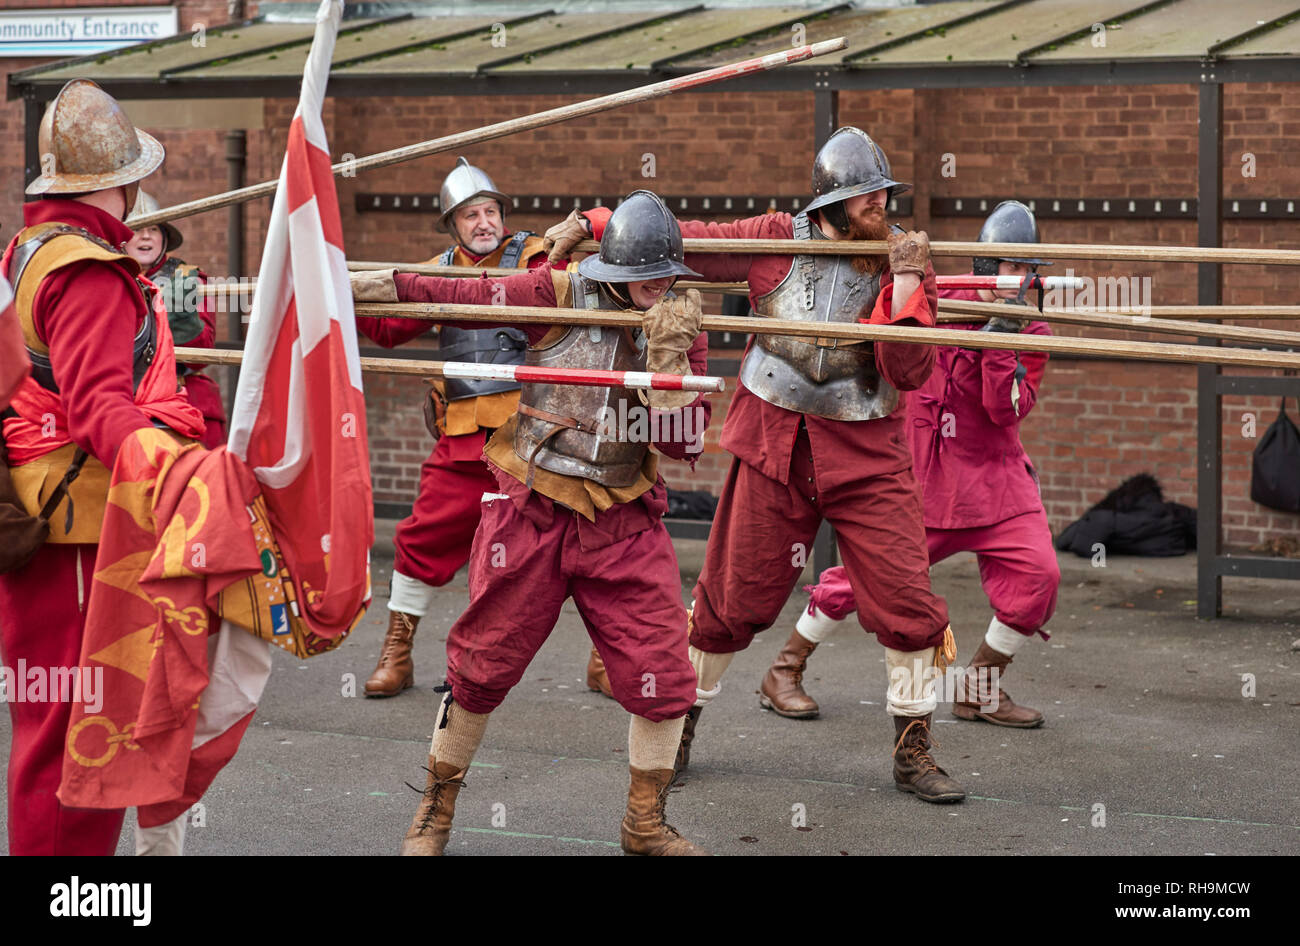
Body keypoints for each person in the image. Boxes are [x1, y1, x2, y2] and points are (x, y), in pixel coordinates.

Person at [552, 128, 963, 803]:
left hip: (869, 452)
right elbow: (685, 241)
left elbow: (909, 369)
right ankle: (677, 729)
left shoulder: (901, 258)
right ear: (832, 199)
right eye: (868, 194)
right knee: (728, 598)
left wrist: (911, 279)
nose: (881, 203)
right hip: (775, 442)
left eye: (885, 193)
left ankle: (911, 749)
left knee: (909, 602)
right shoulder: (776, 234)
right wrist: (597, 223)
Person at [351, 190, 713, 855]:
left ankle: (644, 823)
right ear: (615, 270)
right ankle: (435, 809)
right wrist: (353, 286)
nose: (658, 288)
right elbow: (457, 291)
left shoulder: (682, 321)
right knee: (480, 667)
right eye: (645, 278)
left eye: (667, 277)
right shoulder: (553, 290)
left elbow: (686, 445)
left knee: (665, 671)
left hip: (624, 516)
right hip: (532, 507)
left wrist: (668, 367)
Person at [0, 79, 204, 855]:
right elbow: (102, 412)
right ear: (121, 183)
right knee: (81, 735)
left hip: (40, 517)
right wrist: (185, 483)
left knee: (49, 725)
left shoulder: (27, 250)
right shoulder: (85, 269)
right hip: (79, 529)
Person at [765, 201, 1060, 729]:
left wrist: (1000, 336)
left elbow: (1003, 409)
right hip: (924, 482)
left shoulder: (1031, 333)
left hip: (997, 483)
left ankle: (978, 687)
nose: (1017, 279)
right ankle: (784, 670)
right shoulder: (939, 301)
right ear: (986, 267)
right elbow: (898, 360)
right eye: (1007, 267)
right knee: (857, 581)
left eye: (1025, 269)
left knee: (1040, 577)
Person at [357, 157, 554, 698]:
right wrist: (339, 291)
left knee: (568, 544)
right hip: (466, 432)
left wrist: (590, 224)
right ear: (453, 225)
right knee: (424, 534)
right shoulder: (434, 273)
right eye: (470, 215)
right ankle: (398, 648)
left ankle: (602, 659)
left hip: (538, 432)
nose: (483, 222)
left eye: (490, 211)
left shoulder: (543, 256)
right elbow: (386, 328)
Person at [124, 190, 227, 449]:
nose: (146, 235)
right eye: (137, 228)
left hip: (182, 396)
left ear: (164, 239)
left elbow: (202, 352)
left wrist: (180, 325)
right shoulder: (106, 277)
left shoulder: (189, 279)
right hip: (124, 398)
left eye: (154, 229)